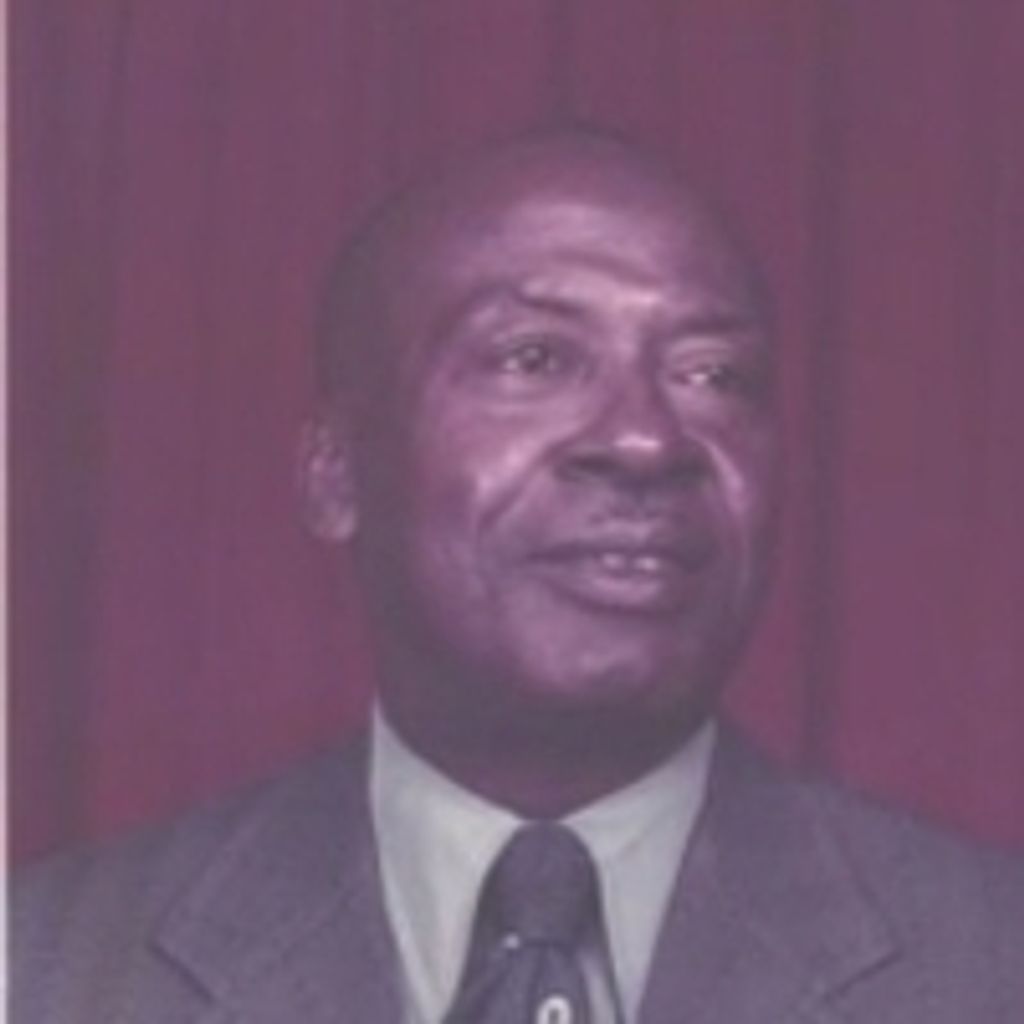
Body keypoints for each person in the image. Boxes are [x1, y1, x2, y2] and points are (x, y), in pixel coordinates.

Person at [12, 130, 1024, 1023]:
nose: (645, 439)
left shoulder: (991, 966)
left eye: (713, 374)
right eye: (534, 358)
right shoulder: (44, 970)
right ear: (336, 472)